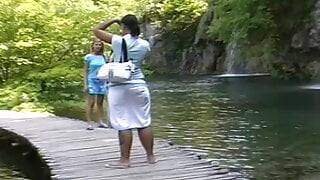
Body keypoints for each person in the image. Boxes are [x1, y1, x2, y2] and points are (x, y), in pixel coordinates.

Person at [92, 14, 156, 168]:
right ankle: (151, 156)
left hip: (119, 87)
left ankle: (124, 160)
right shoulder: (144, 44)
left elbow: (96, 30)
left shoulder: (118, 41)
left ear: (124, 27)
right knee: (144, 122)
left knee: (124, 124)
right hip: (139, 85)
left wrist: (113, 20)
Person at [83, 39, 109, 130]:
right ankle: (89, 123)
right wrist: (85, 84)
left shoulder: (104, 57)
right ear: (93, 46)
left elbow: (107, 69)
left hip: (102, 81)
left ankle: (100, 121)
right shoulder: (88, 57)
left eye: (99, 45)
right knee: (91, 103)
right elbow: (85, 71)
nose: (98, 46)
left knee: (100, 103)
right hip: (92, 80)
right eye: (96, 45)